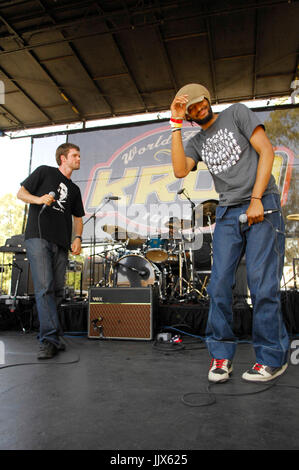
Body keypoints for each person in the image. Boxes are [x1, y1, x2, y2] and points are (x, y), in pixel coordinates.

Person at [170, 83, 289, 383]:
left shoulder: (236, 114)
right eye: (191, 109)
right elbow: (180, 170)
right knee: (219, 285)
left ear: (208, 99)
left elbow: (267, 151)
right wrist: (174, 124)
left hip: (261, 203)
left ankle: (271, 358)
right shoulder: (196, 141)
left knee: (262, 285)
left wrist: (257, 198)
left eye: (199, 103)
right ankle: (221, 355)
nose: (198, 110)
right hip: (226, 212)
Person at [17, 143, 85, 359]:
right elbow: (21, 193)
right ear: (63, 158)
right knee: (44, 287)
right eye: (75, 155)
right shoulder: (45, 171)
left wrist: (77, 238)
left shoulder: (74, 189)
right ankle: (49, 339)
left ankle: (52, 338)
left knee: (56, 290)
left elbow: (78, 217)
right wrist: (38, 199)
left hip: (62, 243)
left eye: (79, 155)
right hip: (38, 237)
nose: (79, 159)